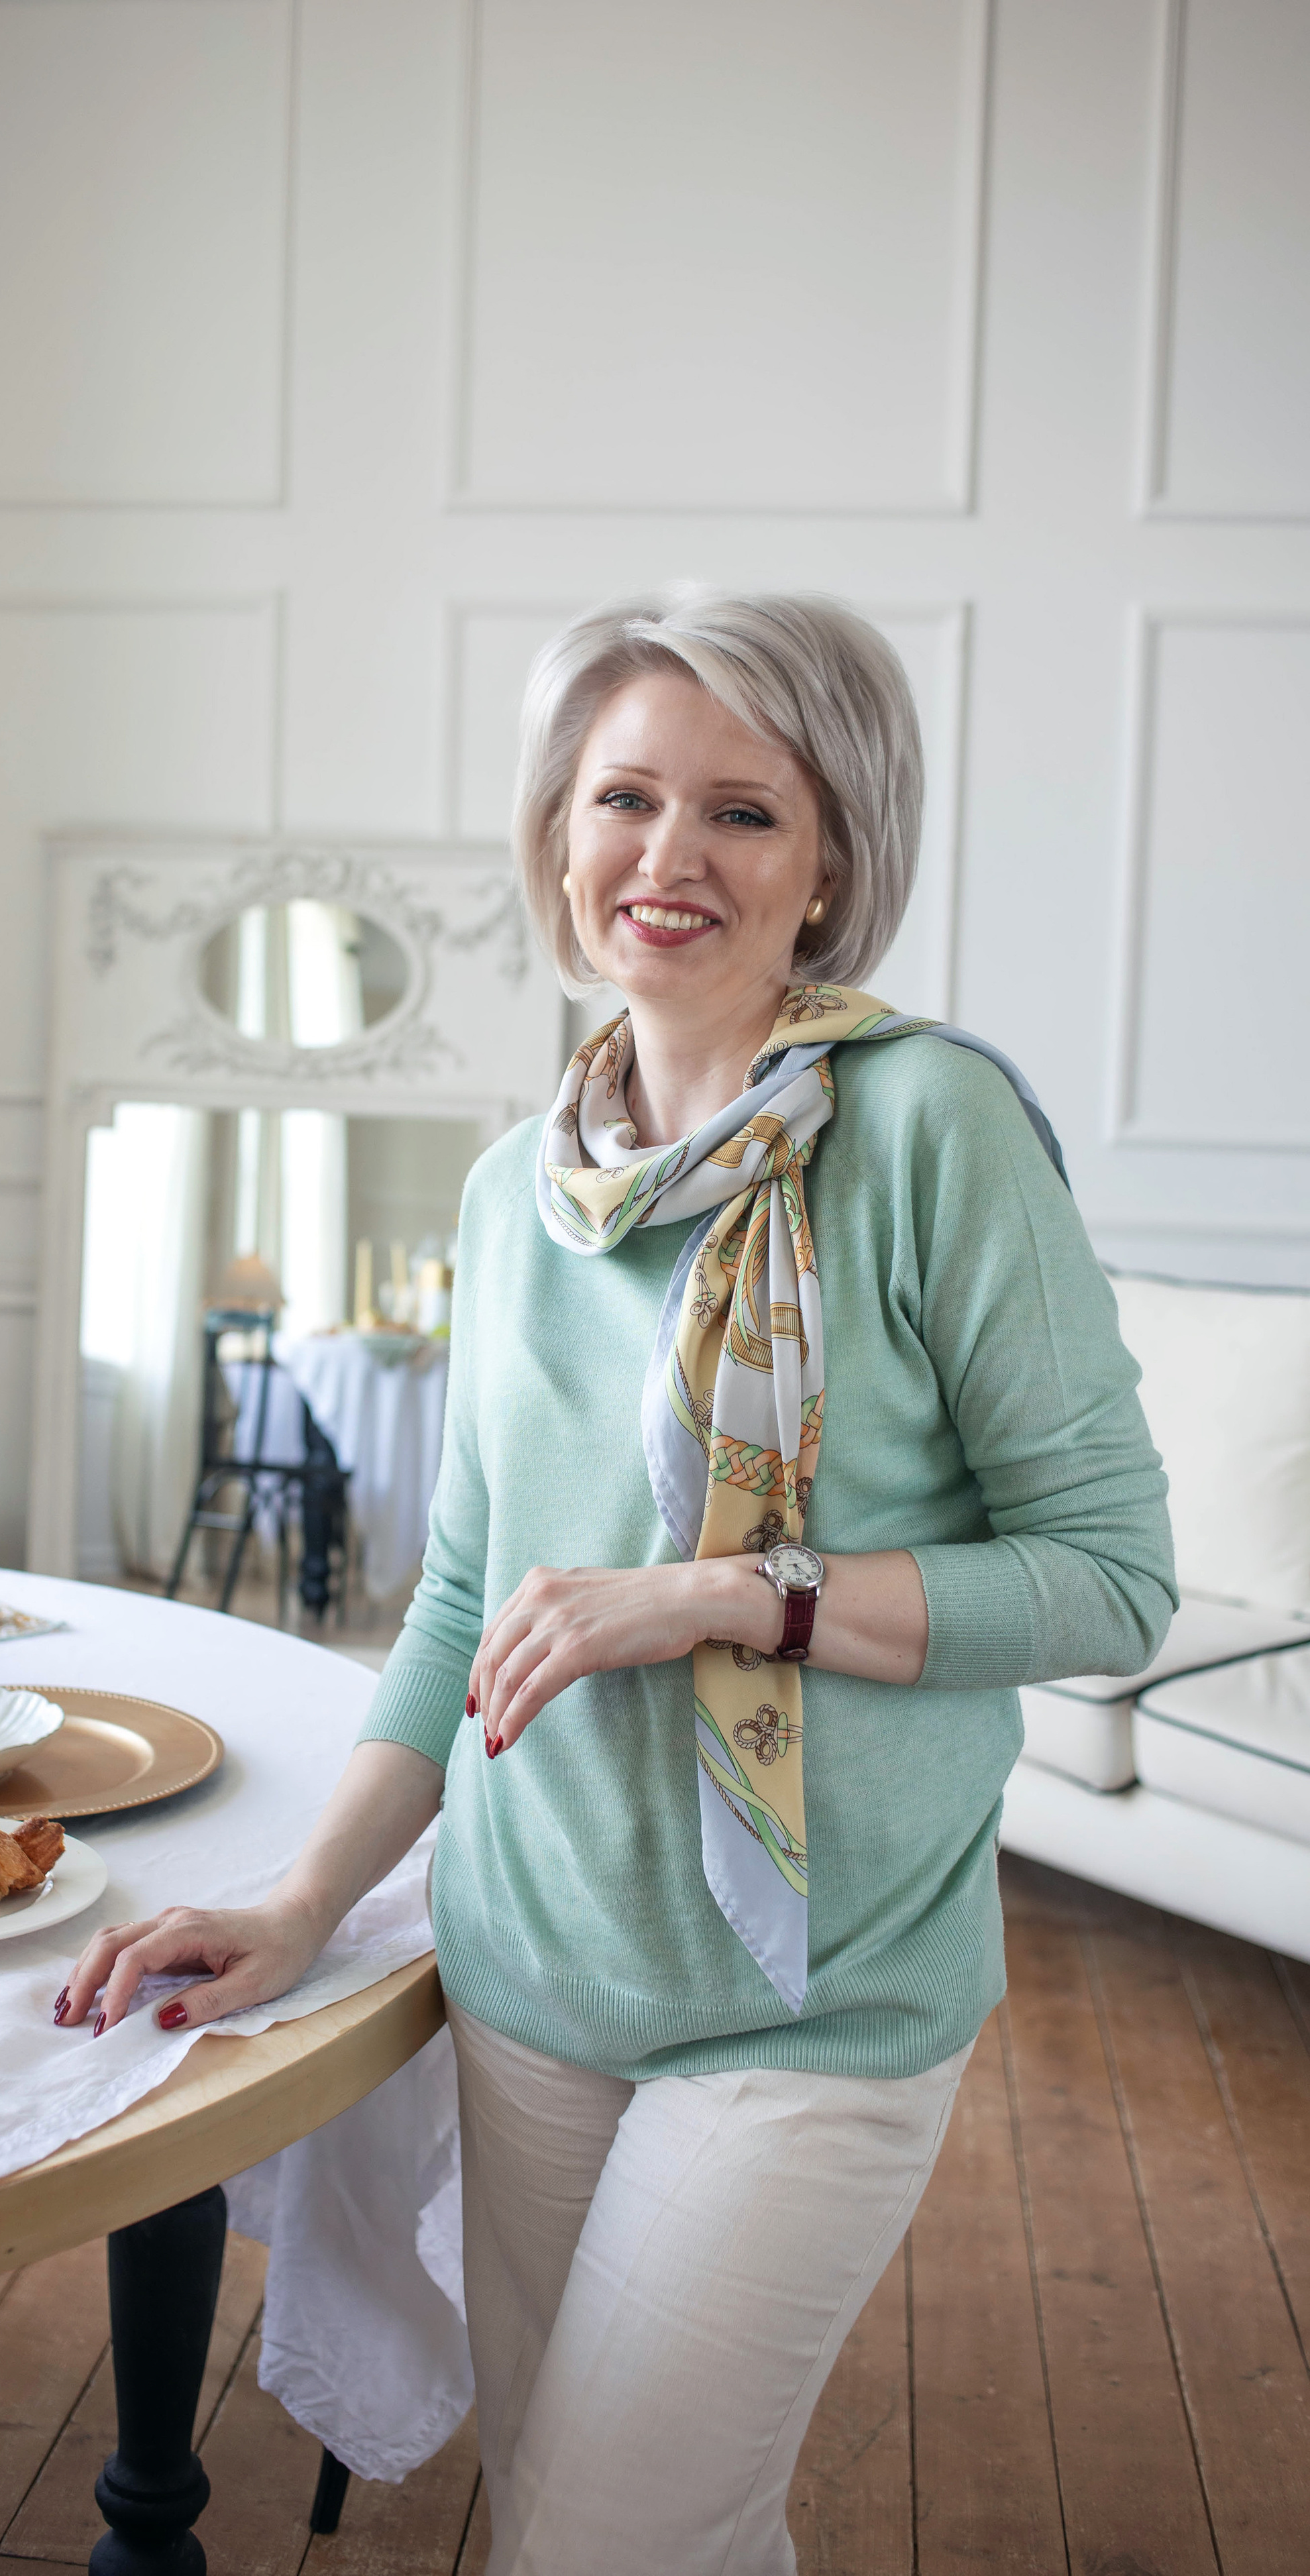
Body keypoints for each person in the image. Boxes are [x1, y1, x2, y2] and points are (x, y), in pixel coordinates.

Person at [58, 590, 1175, 2575]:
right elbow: (461, 1595)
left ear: (834, 863)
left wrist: (734, 1598)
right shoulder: (518, 1193)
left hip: (821, 2003)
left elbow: (1107, 1583)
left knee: (603, 2537)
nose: (669, 859)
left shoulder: (931, 1130)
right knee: (628, 2526)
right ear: (557, 839)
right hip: (533, 1974)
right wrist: (308, 1900)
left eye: (742, 812)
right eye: (624, 799)